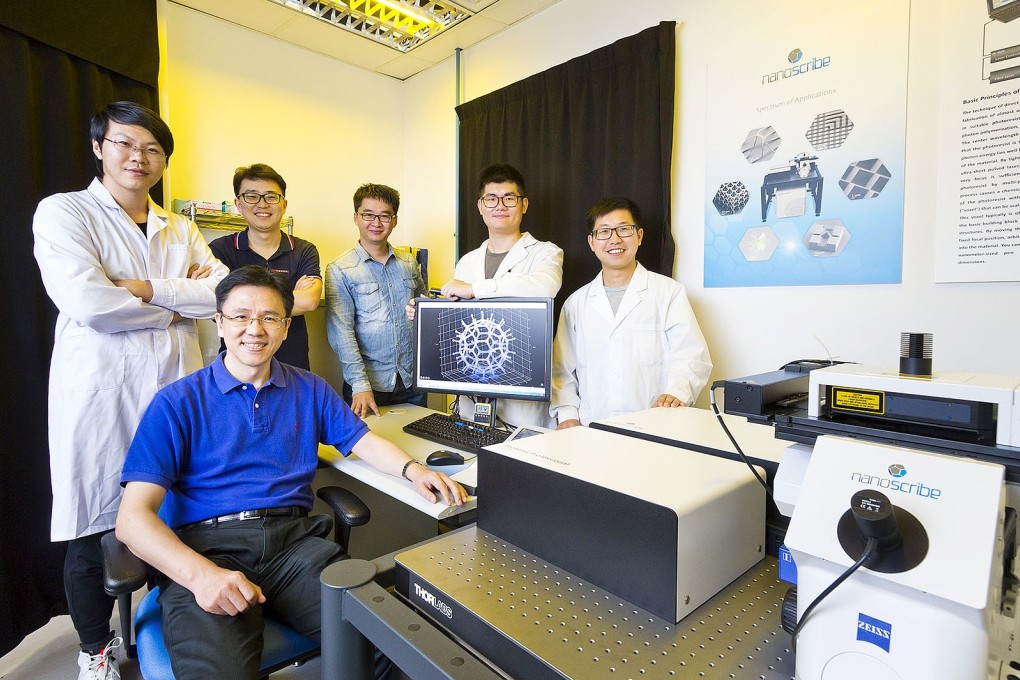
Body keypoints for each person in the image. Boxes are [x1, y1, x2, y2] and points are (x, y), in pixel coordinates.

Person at [116, 265, 466, 679]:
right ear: (219, 323)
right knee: (220, 671)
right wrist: (201, 577)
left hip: (295, 547)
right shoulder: (177, 402)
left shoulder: (310, 388)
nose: (255, 329)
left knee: (391, 649)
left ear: (285, 328)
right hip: (207, 548)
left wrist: (413, 469)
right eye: (241, 316)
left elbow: (364, 442)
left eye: (269, 318)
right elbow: (132, 519)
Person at [32, 100, 229, 680]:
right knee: (94, 531)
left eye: (151, 149)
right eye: (124, 143)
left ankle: (170, 627)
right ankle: (95, 650)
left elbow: (220, 295)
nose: (138, 157)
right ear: (99, 148)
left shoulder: (181, 226)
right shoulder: (65, 213)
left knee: (177, 518)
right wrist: (175, 304)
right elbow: (88, 303)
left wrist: (141, 289)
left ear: (164, 159)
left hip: (176, 395)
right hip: (102, 398)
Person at [550, 197, 712, 428]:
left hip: (656, 424)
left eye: (624, 229)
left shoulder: (669, 293)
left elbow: (692, 356)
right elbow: (561, 370)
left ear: (639, 236)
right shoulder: (576, 304)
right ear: (591, 242)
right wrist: (567, 415)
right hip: (591, 426)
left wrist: (677, 393)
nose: (614, 239)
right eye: (604, 232)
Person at [436, 163, 563, 428]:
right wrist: (427, 311)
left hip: (522, 397)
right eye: (491, 199)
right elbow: (458, 317)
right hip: (473, 390)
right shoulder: (467, 262)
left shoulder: (546, 253)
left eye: (509, 198)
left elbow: (546, 286)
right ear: (480, 206)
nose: (500, 206)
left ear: (524, 204)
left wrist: (475, 290)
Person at [326, 183, 425, 418]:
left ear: (395, 220)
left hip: (412, 380)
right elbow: (342, 334)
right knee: (369, 449)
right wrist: (360, 385)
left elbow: (423, 313)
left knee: (420, 443)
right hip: (368, 385)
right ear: (356, 217)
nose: (376, 223)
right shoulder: (341, 269)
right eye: (368, 215)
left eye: (384, 216)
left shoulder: (409, 262)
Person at [208, 163, 321, 369]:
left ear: (284, 204)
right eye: (251, 196)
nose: (262, 204)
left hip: (293, 367)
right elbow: (215, 304)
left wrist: (242, 308)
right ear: (238, 204)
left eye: (271, 196)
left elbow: (310, 301)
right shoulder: (220, 250)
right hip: (237, 369)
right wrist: (291, 296)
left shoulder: (304, 250)